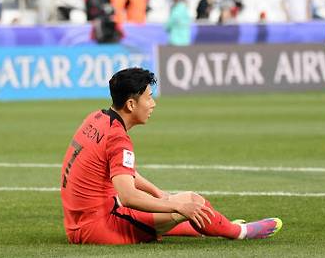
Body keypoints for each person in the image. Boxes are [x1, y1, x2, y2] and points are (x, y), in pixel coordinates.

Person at [60, 67, 282, 244]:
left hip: (80, 220)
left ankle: (212, 226)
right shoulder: (118, 139)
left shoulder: (97, 117)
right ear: (130, 104)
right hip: (99, 227)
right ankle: (239, 232)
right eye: (148, 97)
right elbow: (129, 197)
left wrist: (157, 192)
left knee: (166, 202)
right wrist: (177, 206)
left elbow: (124, 172)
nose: (153, 104)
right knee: (192, 201)